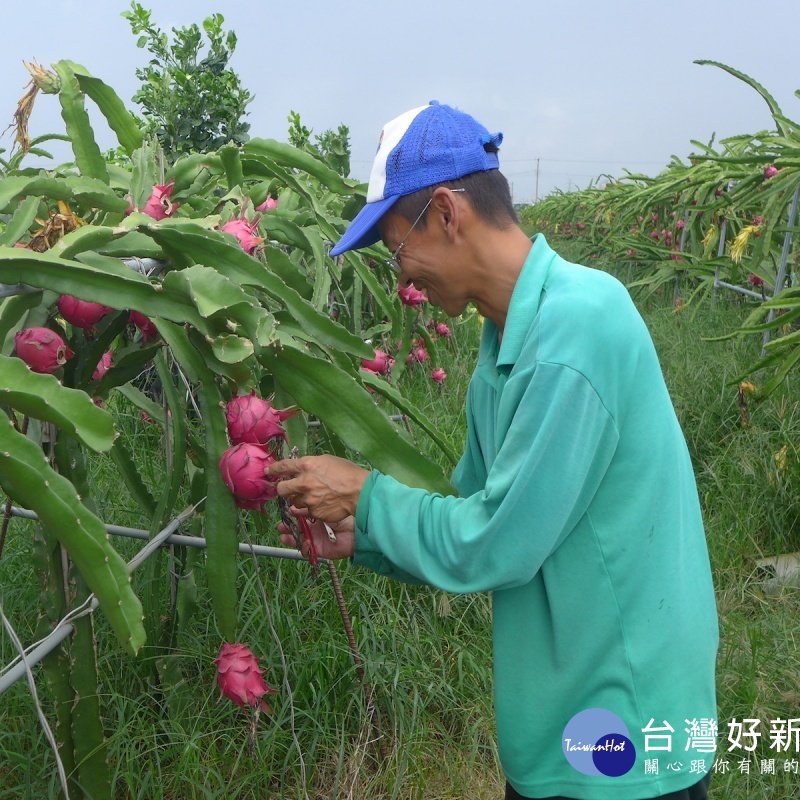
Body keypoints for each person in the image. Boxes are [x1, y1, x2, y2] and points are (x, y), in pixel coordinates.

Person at [266, 101, 719, 800]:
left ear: (448, 213)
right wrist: (360, 538)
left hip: (622, 725)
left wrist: (367, 493)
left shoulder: (576, 330)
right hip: (568, 709)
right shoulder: (505, 342)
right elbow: (469, 516)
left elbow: (498, 543)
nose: (400, 277)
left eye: (395, 249)